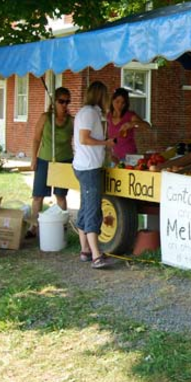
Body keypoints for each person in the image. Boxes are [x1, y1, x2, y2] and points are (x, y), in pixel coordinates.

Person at [73, 81, 116, 269]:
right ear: (100, 95)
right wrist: (106, 143)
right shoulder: (89, 114)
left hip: (84, 166)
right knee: (92, 210)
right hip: (89, 168)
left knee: (85, 208)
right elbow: (84, 138)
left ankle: (85, 250)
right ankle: (97, 255)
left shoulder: (87, 112)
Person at [29, 87, 74, 234]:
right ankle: (34, 226)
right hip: (44, 160)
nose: (64, 105)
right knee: (38, 195)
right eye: (61, 101)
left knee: (61, 195)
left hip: (64, 160)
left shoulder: (71, 121)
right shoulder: (45, 118)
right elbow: (36, 139)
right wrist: (33, 158)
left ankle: (61, 225)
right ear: (54, 102)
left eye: (67, 102)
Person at [107, 87, 151, 163]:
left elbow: (147, 126)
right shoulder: (109, 116)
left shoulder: (129, 115)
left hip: (129, 157)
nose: (120, 105)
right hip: (115, 158)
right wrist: (110, 153)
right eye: (117, 102)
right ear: (112, 101)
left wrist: (132, 123)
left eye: (123, 103)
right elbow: (109, 137)